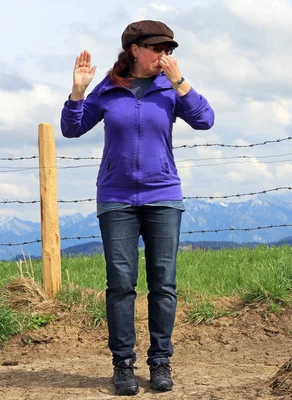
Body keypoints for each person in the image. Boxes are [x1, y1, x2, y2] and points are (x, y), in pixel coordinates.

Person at [60, 20, 214, 395]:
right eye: (158, 48)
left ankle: (160, 362)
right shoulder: (110, 88)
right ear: (135, 49)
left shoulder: (170, 88)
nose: (165, 56)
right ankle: (123, 365)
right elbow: (71, 129)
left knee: (164, 283)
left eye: (170, 50)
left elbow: (205, 119)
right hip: (116, 198)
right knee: (120, 284)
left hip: (163, 195)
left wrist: (180, 81)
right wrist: (78, 92)